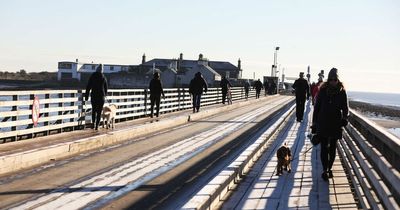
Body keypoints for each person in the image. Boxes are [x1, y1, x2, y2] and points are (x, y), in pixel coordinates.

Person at [312, 68, 349, 181]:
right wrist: (314, 124)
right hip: (323, 122)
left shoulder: (342, 92)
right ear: (328, 79)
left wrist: (344, 118)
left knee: (332, 148)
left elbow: (345, 108)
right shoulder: (322, 90)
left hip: (335, 123)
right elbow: (317, 108)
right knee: (324, 147)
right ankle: (324, 170)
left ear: (338, 79)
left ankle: (329, 168)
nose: (333, 81)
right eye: (331, 79)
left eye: (335, 79)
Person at [85, 64, 108, 130]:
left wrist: (86, 96)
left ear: (96, 69)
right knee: (99, 111)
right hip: (101, 96)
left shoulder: (93, 76)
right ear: (101, 70)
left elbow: (88, 86)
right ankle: (97, 125)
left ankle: (93, 123)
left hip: (94, 95)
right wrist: (105, 94)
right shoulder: (103, 77)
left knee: (94, 110)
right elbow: (106, 88)